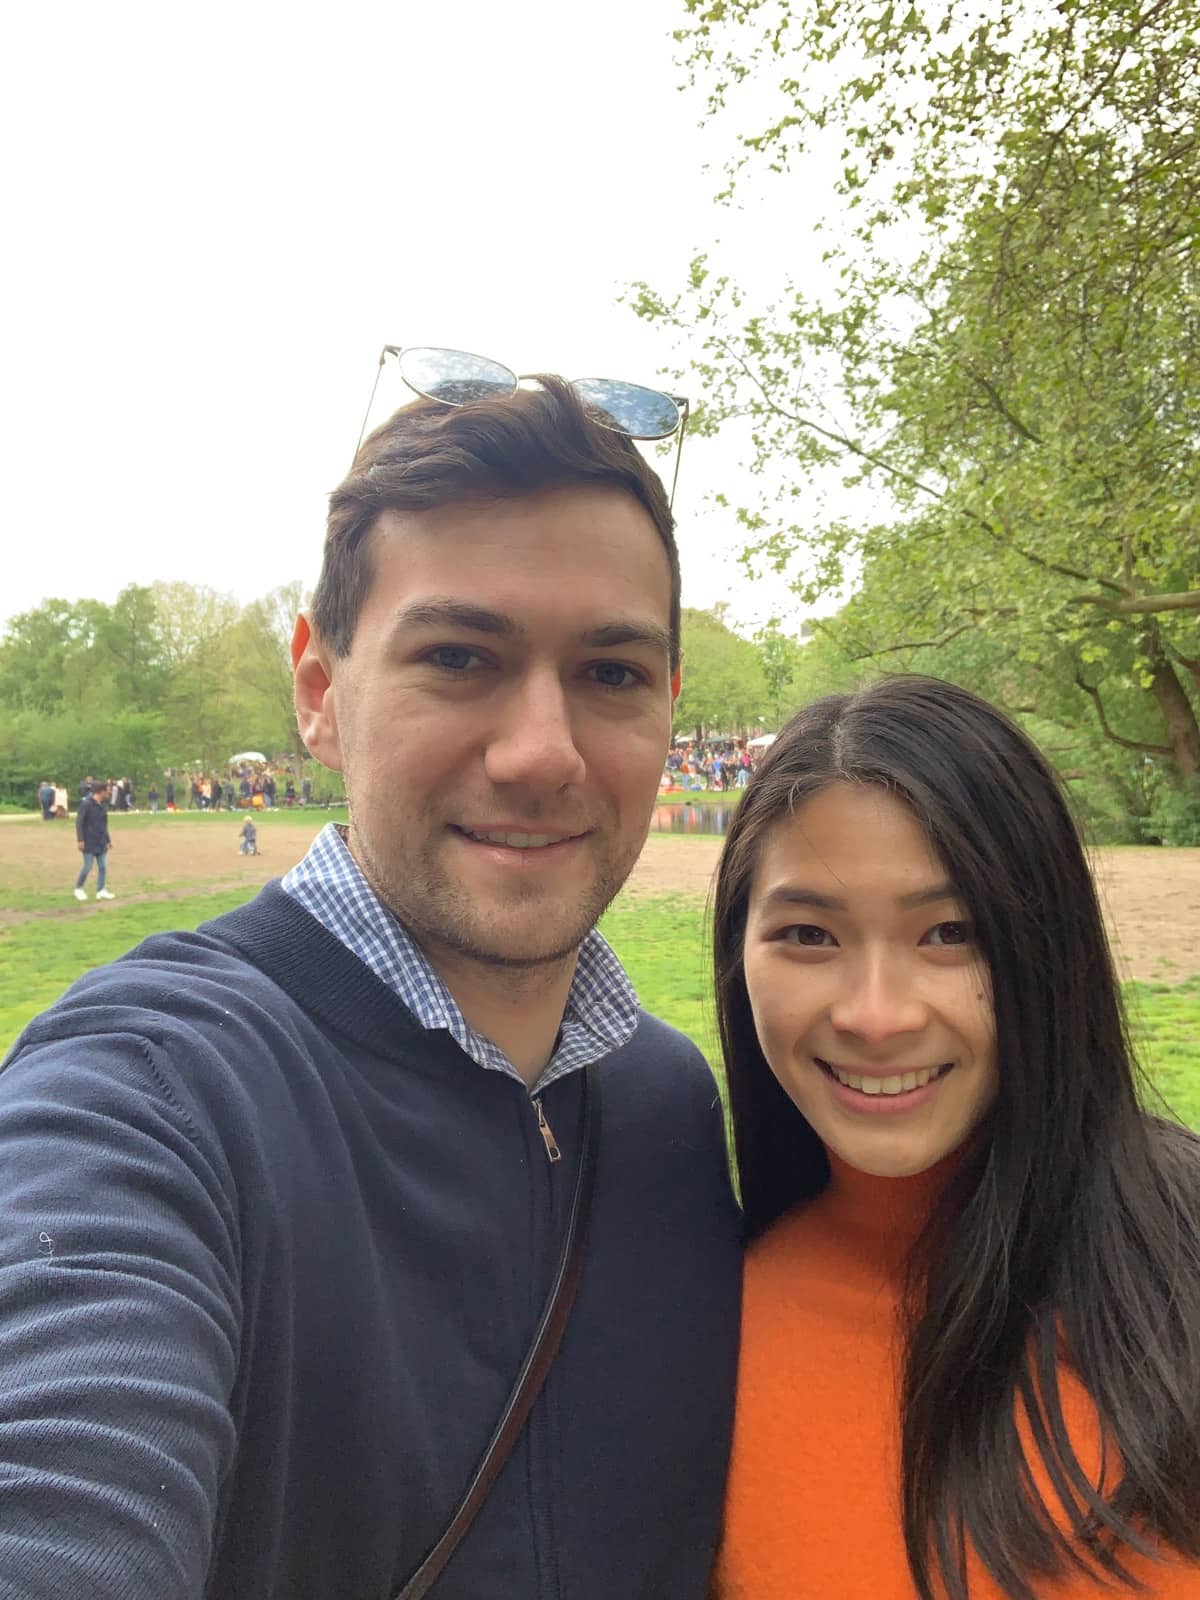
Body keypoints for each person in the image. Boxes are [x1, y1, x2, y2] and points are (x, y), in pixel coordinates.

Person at [0, 375, 740, 1598]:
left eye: (610, 672)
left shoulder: (670, 1106)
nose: (544, 752)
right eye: (459, 657)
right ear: (317, 689)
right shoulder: (155, 1098)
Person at [711, 676, 1200, 1600]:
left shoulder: (1182, 1267)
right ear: (741, 956)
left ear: (1047, 948)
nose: (877, 1015)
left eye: (951, 932)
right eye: (810, 934)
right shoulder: (703, 1315)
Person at [72, 779, 114, 901]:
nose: (109, 793)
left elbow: (103, 824)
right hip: (89, 841)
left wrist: (108, 840)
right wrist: (80, 840)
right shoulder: (86, 804)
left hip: (100, 841)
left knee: (103, 867)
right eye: (107, 791)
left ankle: (100, 890)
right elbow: (79, 823)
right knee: (88, 866)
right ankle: (78, 888)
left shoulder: (103, 805)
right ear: (101, 791)